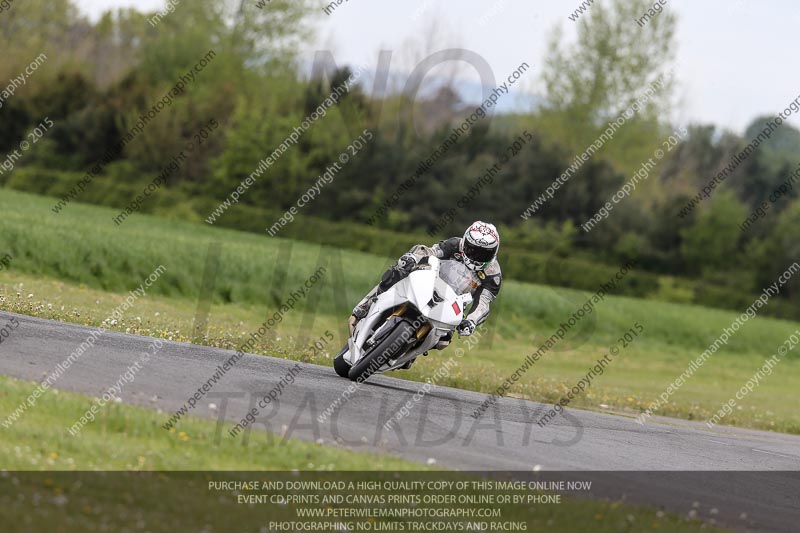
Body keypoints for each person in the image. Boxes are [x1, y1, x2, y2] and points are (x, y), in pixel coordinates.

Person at [351, 221, 502, 342]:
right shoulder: (454, 244)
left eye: (484, 253)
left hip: (451, 305)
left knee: (444, 340)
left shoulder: (493, 275)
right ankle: (365, 306)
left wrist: (471, 321)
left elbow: (483, 304)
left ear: (493, 253)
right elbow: (430, 251)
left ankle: (415, 349)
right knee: (397, 272)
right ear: (465, 242)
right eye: (472, 249)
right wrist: (412, 257)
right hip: (429, 283)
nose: (476, 255)